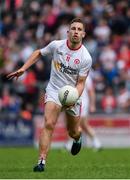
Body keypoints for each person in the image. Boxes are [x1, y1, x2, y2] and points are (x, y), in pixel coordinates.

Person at [7, 18, 92, 172]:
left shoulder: (86, 57)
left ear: (83, 34)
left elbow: (81, 83)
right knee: (48, 124)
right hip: (54, 90)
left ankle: (78, 138)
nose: (76, 32)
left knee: (72, 131)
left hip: (73, 94)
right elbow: (39, 52)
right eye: (73, 28)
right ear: (68, 32)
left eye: (79, 29)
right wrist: (23, 68)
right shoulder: (57, 45)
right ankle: (41, 161)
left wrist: (74, 98)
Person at [65, 74, 102, 151]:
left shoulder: (86, 76)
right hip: (72, 102)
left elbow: (91, 91)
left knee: (80, 124)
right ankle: (96, 142)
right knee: (74, 124)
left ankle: (69, 144)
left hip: (82, 103)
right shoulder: (70, 74)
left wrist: (92, 105)